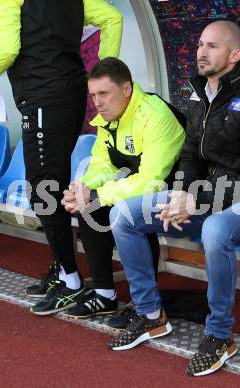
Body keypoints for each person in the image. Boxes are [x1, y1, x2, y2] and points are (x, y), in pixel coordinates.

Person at [107, 20, 240, 377]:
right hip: (211, 199)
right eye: (200, 44)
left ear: (236, 54)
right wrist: (180, 193)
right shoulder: (198, 95)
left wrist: (197, 198)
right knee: (124, 215)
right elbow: (191, 155)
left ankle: (220, 335)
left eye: (213, 46)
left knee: (217, 231)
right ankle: (150, 314)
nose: (201, 52)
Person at [0, 0, 123, 313]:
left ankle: (71, 282)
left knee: (42, 189)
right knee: (53, 183)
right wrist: (101, 71)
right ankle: (62, 268)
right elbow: (113, 17)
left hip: (42, 96)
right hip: (71, 92)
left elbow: (7, 48)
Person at [55, 57, 185, 318]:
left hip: (181, 192)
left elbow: (152, 180)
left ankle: (146, 302)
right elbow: (103, 162)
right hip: (140, 186)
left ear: (126, 89)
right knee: (89, 207)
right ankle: (105, 295)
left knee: (130, 212)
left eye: (104, 93)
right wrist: (83, 188)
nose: (97, 103)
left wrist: (99, 195)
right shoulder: (108, 116)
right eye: (93, 95)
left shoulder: (154, 115)